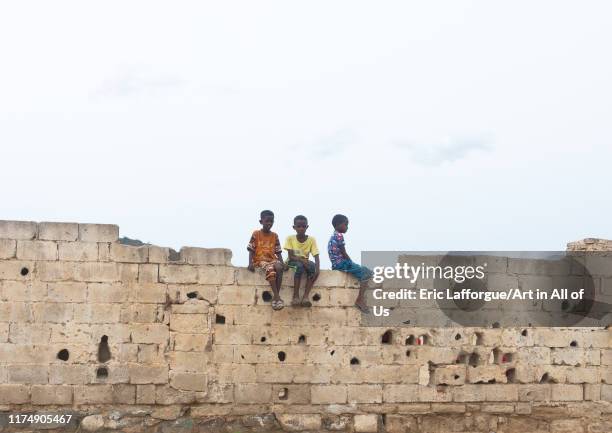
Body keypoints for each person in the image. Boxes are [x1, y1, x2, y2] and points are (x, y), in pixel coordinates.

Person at [328, 214, 372, 313]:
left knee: (362, 269)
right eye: (346, 224)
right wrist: (351, 262)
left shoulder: (334, 235)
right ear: (338, 225)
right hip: (341, 263)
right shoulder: (339, 235)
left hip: (336, 263)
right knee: (367, 273)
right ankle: (360, 300)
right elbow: (343, 253)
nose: (347, 227)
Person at [247, 210, 284, 310]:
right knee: (271, 269)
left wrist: (282, 262)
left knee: (279, 268)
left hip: (272, 259)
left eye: (271, 221)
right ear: (261, 221)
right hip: (260, 259)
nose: (269, 223)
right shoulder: (256, 234)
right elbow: (251, 249)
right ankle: (277, 297)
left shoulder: (275, 236)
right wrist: (250, 263)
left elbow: (278, 251)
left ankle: (277, 295)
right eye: (267, 221)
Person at [284, 215, 320, 307]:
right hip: (292, 261)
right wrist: (302, 260)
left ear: (307, 227)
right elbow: (291, 256)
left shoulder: (311, 240)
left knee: (312, 267)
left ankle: (305, 297)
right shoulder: (290, 238)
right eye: (299, 226)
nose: (301, 228)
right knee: (299, 266)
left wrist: (317, 269)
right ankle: (295, 296)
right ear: (294, 227)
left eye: (304, 226)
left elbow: (316, 255)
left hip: (304, 261)